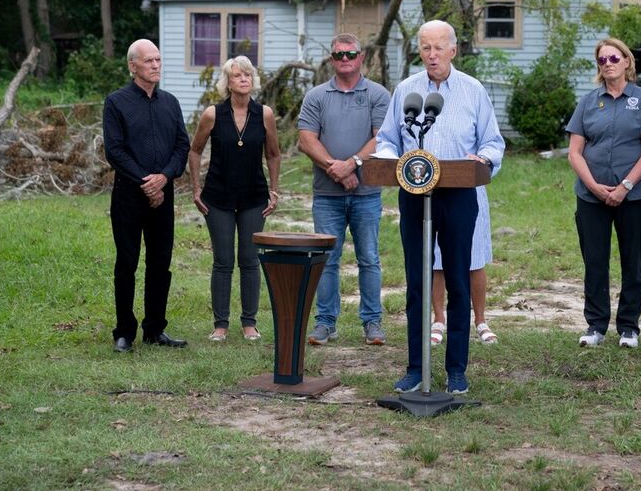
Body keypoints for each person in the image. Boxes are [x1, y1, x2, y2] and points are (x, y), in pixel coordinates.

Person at [375, 20, 505, 395]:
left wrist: (479, 159)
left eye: (438, 48)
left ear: (453, 50)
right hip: (414, 194)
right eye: (425, 48)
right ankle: (416, 367)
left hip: (458, 194)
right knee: (417, 281)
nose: (431, 55)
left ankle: (456, 369)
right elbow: (387, 139)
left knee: (459, 282)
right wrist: (387, 159)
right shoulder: (406, 91)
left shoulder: (472, 90)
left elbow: (493, 143)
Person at [566, 38, 641, 349]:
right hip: (591, 196)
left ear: (626, 62)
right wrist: (594, 185)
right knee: (595, 261)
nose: (607, 63)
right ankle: (595, 326)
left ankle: (629, 328)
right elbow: (575, 152)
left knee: (633, 261)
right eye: (602, 60)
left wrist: (625, 187)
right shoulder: (589, 102)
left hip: (634, 196)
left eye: (613, 58)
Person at [298, 33, 391, 346]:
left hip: (367, 194)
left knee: (369, 258)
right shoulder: (316, 96)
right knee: (327, 260)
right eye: (338, 55)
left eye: (350, 54)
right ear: (331, 59)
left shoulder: (378, 95)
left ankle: (372, 322)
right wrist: (335, 170)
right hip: (327, 195)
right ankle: (325, 323)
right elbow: (306, 139)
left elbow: (381, 138)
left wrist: (352, 164)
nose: (345, 59)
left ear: (361, 56)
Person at [102, 39, 191, 352]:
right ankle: (124, 331)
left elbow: (183, 145)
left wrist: (164, 177)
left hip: (163, 198)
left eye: (158, 60)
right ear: (132, 66)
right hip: (128, 196)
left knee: (160, 262)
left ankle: (155, 329)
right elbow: (115, 150)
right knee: (127, 263)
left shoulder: (170, 103)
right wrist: (146, 182)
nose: (156, 65)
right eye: (149, 61)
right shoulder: (116, 102)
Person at [188, 56, 281, 342]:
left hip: (254, 196)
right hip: (218, 198)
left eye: (248, 75)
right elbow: (195, 151)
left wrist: (274, 190)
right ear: (227, 82)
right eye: (238, 75)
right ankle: (221, 325)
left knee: (250, 260)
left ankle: (249, 323)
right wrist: (195, 189)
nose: (244, 79)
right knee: (223, 261)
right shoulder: (213, 114)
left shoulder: (264, 114)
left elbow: (274, 154)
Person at [430, 186, 497, 346]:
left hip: (470, 188)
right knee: (437, 260)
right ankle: (438, 319)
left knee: (475, 258)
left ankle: (480, 321)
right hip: (436, 187)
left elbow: (492, 160)